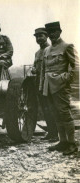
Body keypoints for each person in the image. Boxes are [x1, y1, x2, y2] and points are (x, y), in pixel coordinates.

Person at [41, 21, 79, 155]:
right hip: (49, 87)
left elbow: (76, 67)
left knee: (64, 113)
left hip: (61, 86)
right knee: (56, 113)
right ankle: (62, 141)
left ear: (59, 32)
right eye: (49, 33)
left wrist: (65, 79)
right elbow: (44, 70)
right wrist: (42, 86)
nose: (51, 35)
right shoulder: (46, 50)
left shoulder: (67, 46)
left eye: (54, 32)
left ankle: (72, 144)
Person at [31, 27, 58, 141]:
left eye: (41, 36)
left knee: (52, 108)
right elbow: (35, 66)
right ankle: (50, 132)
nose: (38, 38)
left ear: (46, 36)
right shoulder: (37, 53)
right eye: (37, 37)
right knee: (45, 108)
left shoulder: (52, 49)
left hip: (49, 83)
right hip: (39, 84)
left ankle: (55, 134)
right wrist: (33, 69)